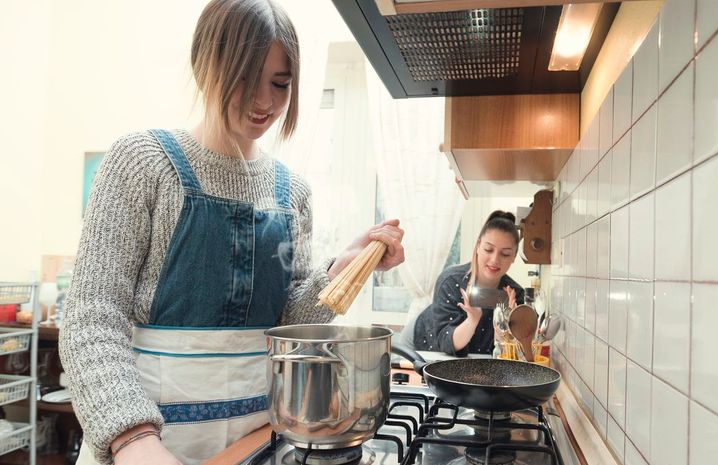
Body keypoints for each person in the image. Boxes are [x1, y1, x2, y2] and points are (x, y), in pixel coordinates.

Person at [57, 1, 405, 464]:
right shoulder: (142, 162)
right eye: (244, 78)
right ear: (206, 64)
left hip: (256, 439)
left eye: (280, 84)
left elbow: (286, 319)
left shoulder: (293, 191)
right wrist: (132, 437)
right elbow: (90, 315)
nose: (264, 101)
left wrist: (343, 269)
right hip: (147, 442)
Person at [408, 211, 524, 356]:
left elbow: (506, 354)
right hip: (427, 348)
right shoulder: (449, 282)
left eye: (505, 254)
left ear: (514, 256)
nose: (495, 260)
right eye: (488, 249)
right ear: (478, 246)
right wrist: (472, 320)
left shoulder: (515, 294)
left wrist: (505, 329)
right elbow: (446, 342)